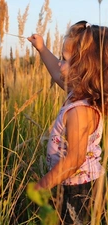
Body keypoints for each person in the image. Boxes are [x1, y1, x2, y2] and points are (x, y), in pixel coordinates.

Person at [27, 20, 108, 224]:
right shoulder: (78, 93)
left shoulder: (80, 111)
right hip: (73, 182)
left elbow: (75, 159)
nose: (61, 64)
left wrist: (42, 186)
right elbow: (57, 73)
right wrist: (42, 48)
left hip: (81, 189)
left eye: (65, 60)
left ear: (86, 67)